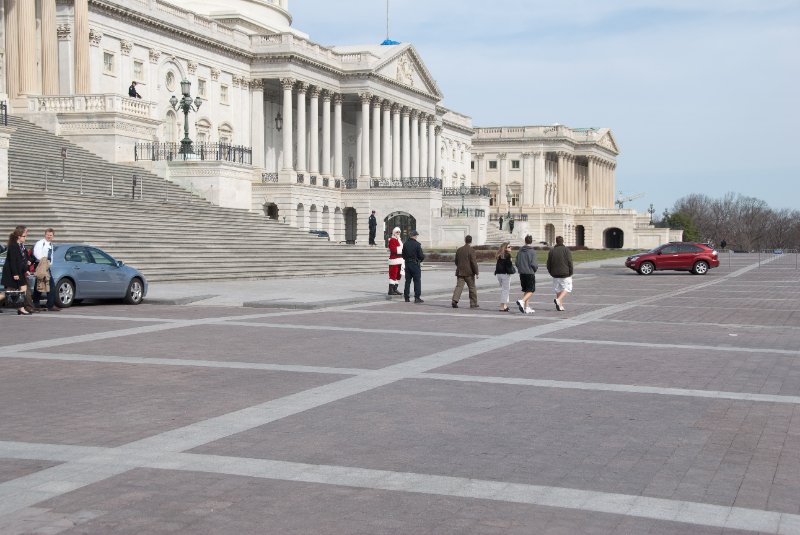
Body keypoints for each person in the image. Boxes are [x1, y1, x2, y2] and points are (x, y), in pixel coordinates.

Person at [1, 226, 33, 315]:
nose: (25, 238)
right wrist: (15, 274)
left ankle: (21, 308)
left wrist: (26, 270)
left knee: (21, 289)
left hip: (19, 272)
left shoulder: (20, 246)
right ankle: (21, 308)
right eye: (24, 236)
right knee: (8, 292)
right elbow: (13, 261)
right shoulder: (13, 246)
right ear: (19, 236)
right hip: (12, 273)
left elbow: (22, 260)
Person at [32, 228, 60, 312]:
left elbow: (50, 256)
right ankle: (38, 304)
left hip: (47, 266)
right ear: (45, 235)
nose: (49, 236)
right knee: (41, 284)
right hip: (41, 265)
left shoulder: (51, 244)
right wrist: (43, 261)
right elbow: (36, 253)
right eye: (48, 235)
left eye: (51, 235)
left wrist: (49, 264)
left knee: (48, 285)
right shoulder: (40, 243)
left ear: (53, 236)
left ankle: (48, 304)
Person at [451, 235, 479, 309]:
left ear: (465, 240)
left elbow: (456, 261)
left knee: (459, 287)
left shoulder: (459, 250)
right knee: (472, 287)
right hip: (469, 273)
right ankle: (473, 303)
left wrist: (459, 267)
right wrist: (476, 272)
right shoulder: (472, 250)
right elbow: (473, 262)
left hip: (460, 272)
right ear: (471, 241)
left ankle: (454, 300)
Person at [547, 235, 573, 312]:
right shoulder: (566, 250)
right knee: (568, 288)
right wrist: (571, 272)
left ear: (556, 241)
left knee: (558, 290)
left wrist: (551, 272)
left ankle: (560, 305)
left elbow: (548, 263)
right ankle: (558, 300)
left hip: (555, 274)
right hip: (565, 274)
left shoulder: (552, 251)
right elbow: (570, 262)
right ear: (563, 241)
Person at [514, 234, 538, 314]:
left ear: (525, 241)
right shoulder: (532, 251)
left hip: (522, 273)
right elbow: (534, 264)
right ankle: (522, 301)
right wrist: (534, 269)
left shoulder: (520, 251)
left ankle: (526, 307)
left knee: (526, 290)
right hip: (529, 272)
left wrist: (520, 268)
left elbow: (516, 262)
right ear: (531, 241)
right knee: (531, 290)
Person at [402, 229, 424, 303]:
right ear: (414, 236)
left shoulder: (405, 244)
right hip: (415, 264)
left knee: (407, 281)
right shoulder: (417, 244)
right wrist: (420, 260)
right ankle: (417, 297)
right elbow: (421, 256)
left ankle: (406, 297)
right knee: (417, 281)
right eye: (416, 235)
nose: (416, 237)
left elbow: (403, 255)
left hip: (407, 264)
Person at [494, 241, 515, 312]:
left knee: (504, 289)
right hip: (505, 274)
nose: (510, 248)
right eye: (509, 247)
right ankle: (502, 306)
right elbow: (509, 266)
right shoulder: (508, 255)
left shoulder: (500, 255)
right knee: (505, 290)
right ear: (505, 248)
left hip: (499, 274)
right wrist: (511, 262)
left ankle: (505, 305)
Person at [387, 227, 403, 296]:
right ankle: (390, 290)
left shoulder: (399, 240)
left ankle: (395, 289)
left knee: (398, 275)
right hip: (394, 260)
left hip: (400, 260)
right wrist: (402, 250)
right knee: (393, 275)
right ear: (394, 233)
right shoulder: (392, 240)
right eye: (397, 232)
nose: (398, 233)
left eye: (399, 232)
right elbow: (393, 250)